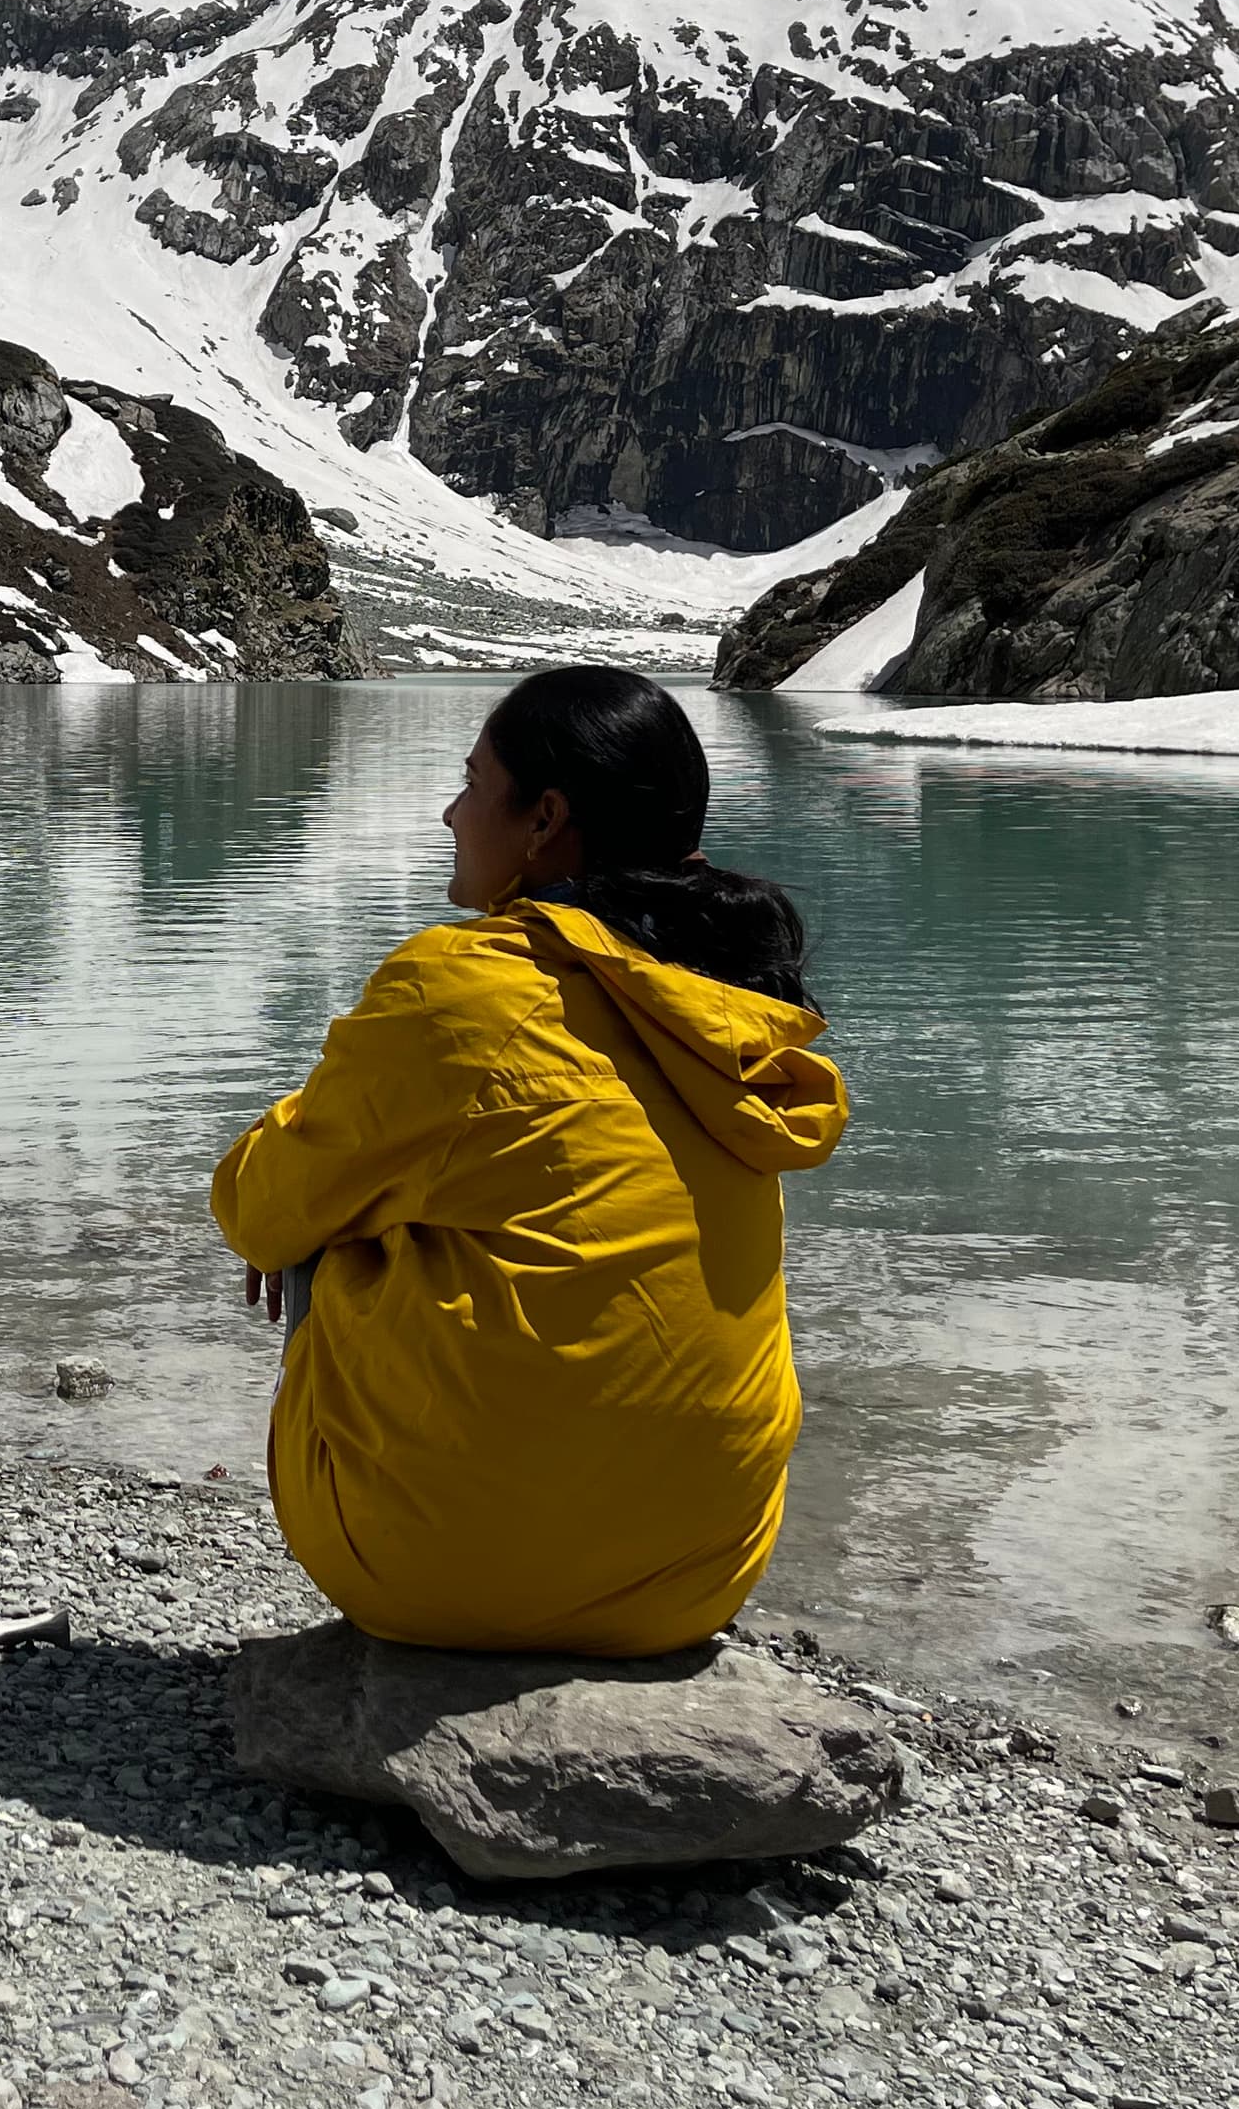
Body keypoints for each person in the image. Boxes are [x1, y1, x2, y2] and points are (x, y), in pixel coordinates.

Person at [210, 666, 848, 1658]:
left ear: (544, 819)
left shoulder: (464, 986)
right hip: (698, 1578)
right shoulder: (729, 1007)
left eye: (473, 783)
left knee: (321, 1215)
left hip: (443, 1574)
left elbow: (256, 1208)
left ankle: (431, 1513)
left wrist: (320, 1190)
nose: (451, 811)